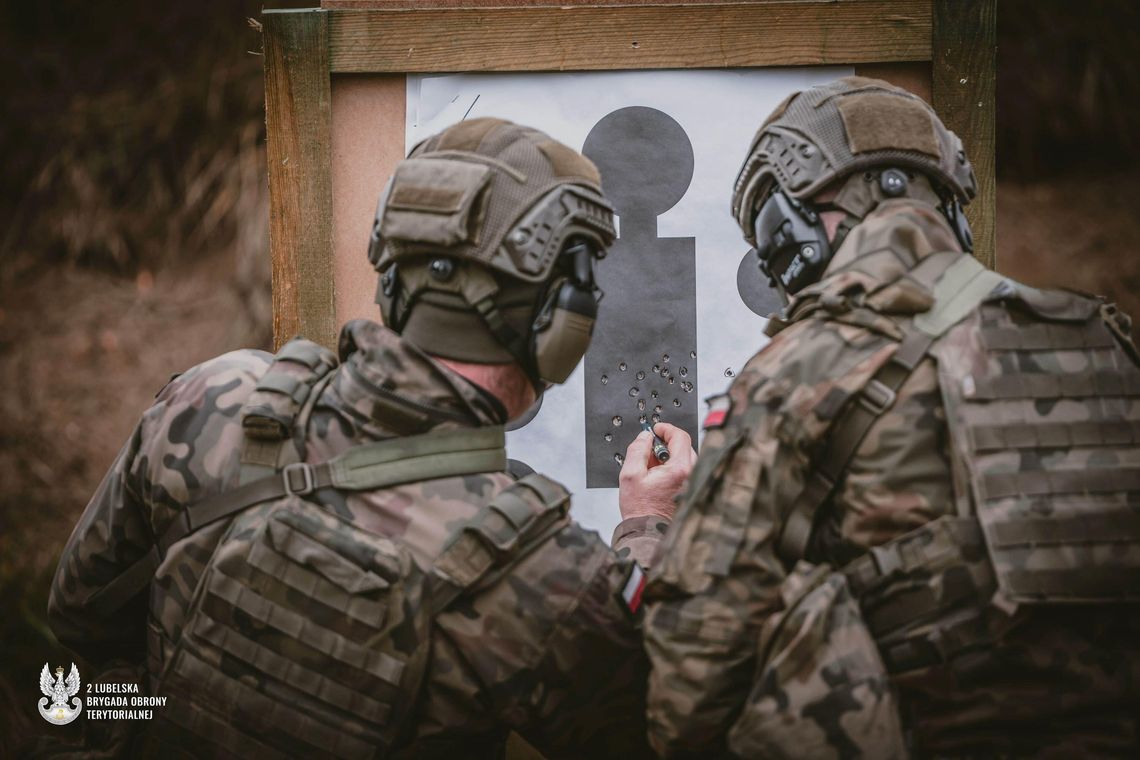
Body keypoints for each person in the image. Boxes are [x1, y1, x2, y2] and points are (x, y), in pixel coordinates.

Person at [48, 117, 691, 759]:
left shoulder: (215, 396)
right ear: (555, 316)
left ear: (392, 274)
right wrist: (651, 528)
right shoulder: (544, 572)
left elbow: (81, 611)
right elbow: (668, 728)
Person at [641, 76, 1140, 758]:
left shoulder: (799, 370)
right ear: (953, 209)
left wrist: (648, 536)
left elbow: (693, 676)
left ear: (793, 226)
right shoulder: (1104, 341)